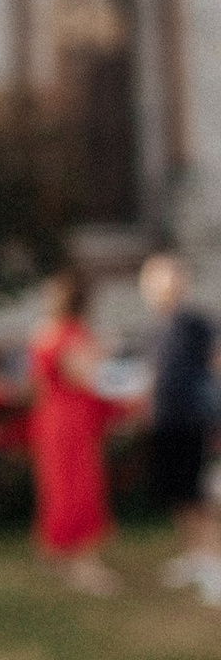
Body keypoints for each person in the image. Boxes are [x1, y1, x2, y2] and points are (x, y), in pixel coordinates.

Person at [29, 268, 117, 593]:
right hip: (73, 420)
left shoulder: (43, 333)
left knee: (57, 484)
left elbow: (37, 383)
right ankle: (84, 562)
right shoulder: (74, 335)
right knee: (80, 485)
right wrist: (102, 354)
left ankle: (56, 553)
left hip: (50, 417)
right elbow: (83, 377)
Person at [138, 250, 219, 597]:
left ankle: (213, 564)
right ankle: (194, 556)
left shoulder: (196, 324)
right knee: (178, 495)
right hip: (164, 422)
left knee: (198, 496)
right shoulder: (156, 329)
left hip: (192, 422)